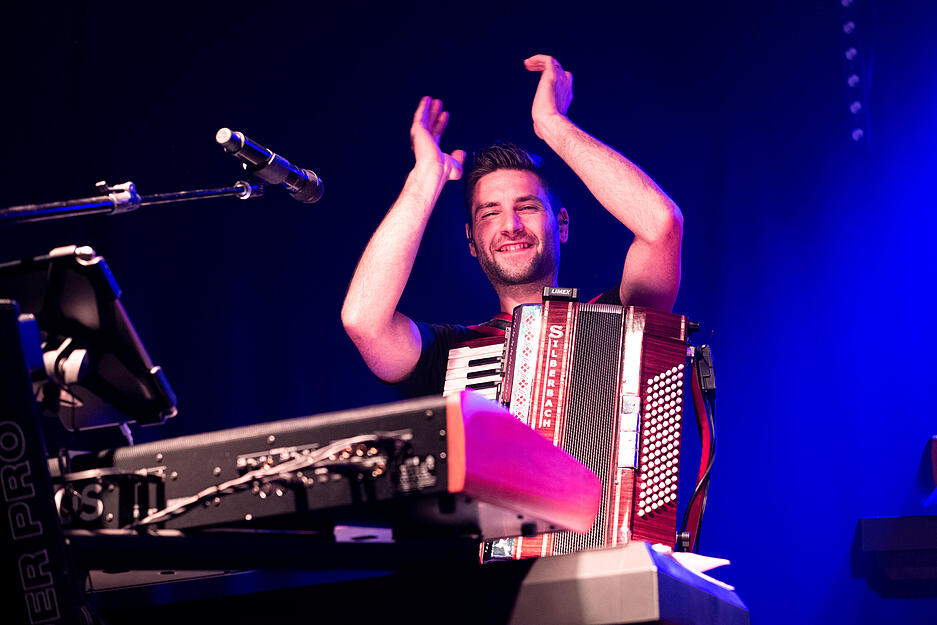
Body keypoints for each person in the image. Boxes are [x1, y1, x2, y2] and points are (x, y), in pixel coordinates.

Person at [341, 54, 682, 397]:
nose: (511, 225)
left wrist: (550, 123)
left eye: (527, 206)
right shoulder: (449, 354)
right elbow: (364, 322)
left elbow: (661, 225)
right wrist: (425, 178)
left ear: (561, 225)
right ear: (472, 242)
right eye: (489, 213)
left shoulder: (622, 320)